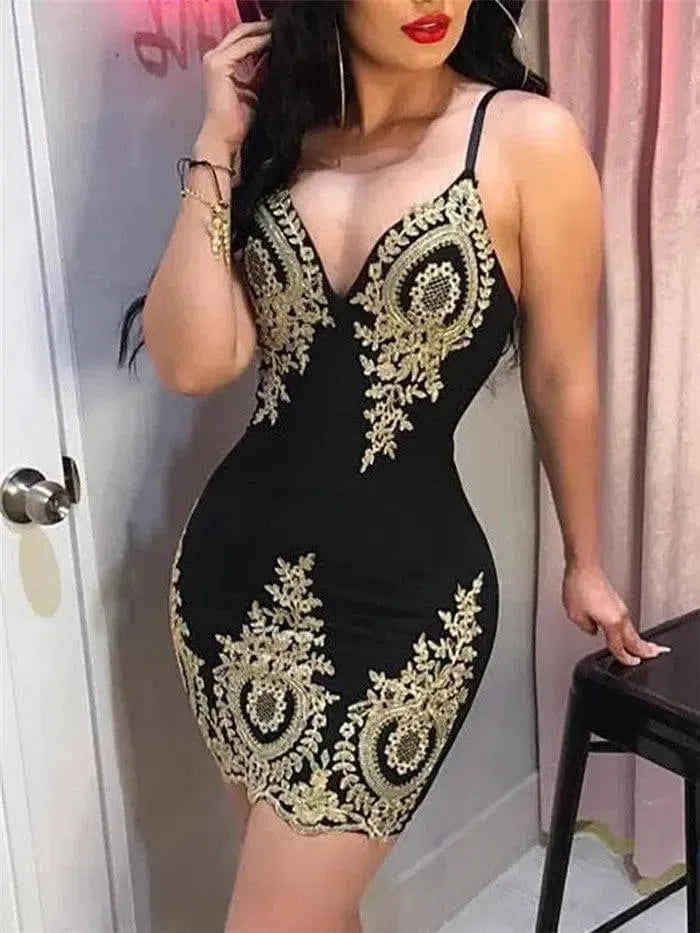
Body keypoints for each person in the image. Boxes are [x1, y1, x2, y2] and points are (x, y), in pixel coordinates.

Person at [118, 2, 670, 931]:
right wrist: (216, 142)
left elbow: (562, 373)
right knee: (316, 912)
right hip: (228, 584)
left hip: (404, 611)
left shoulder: (525, 138)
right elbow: (194, 360)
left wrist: (585, 559)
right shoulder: (285, 143)